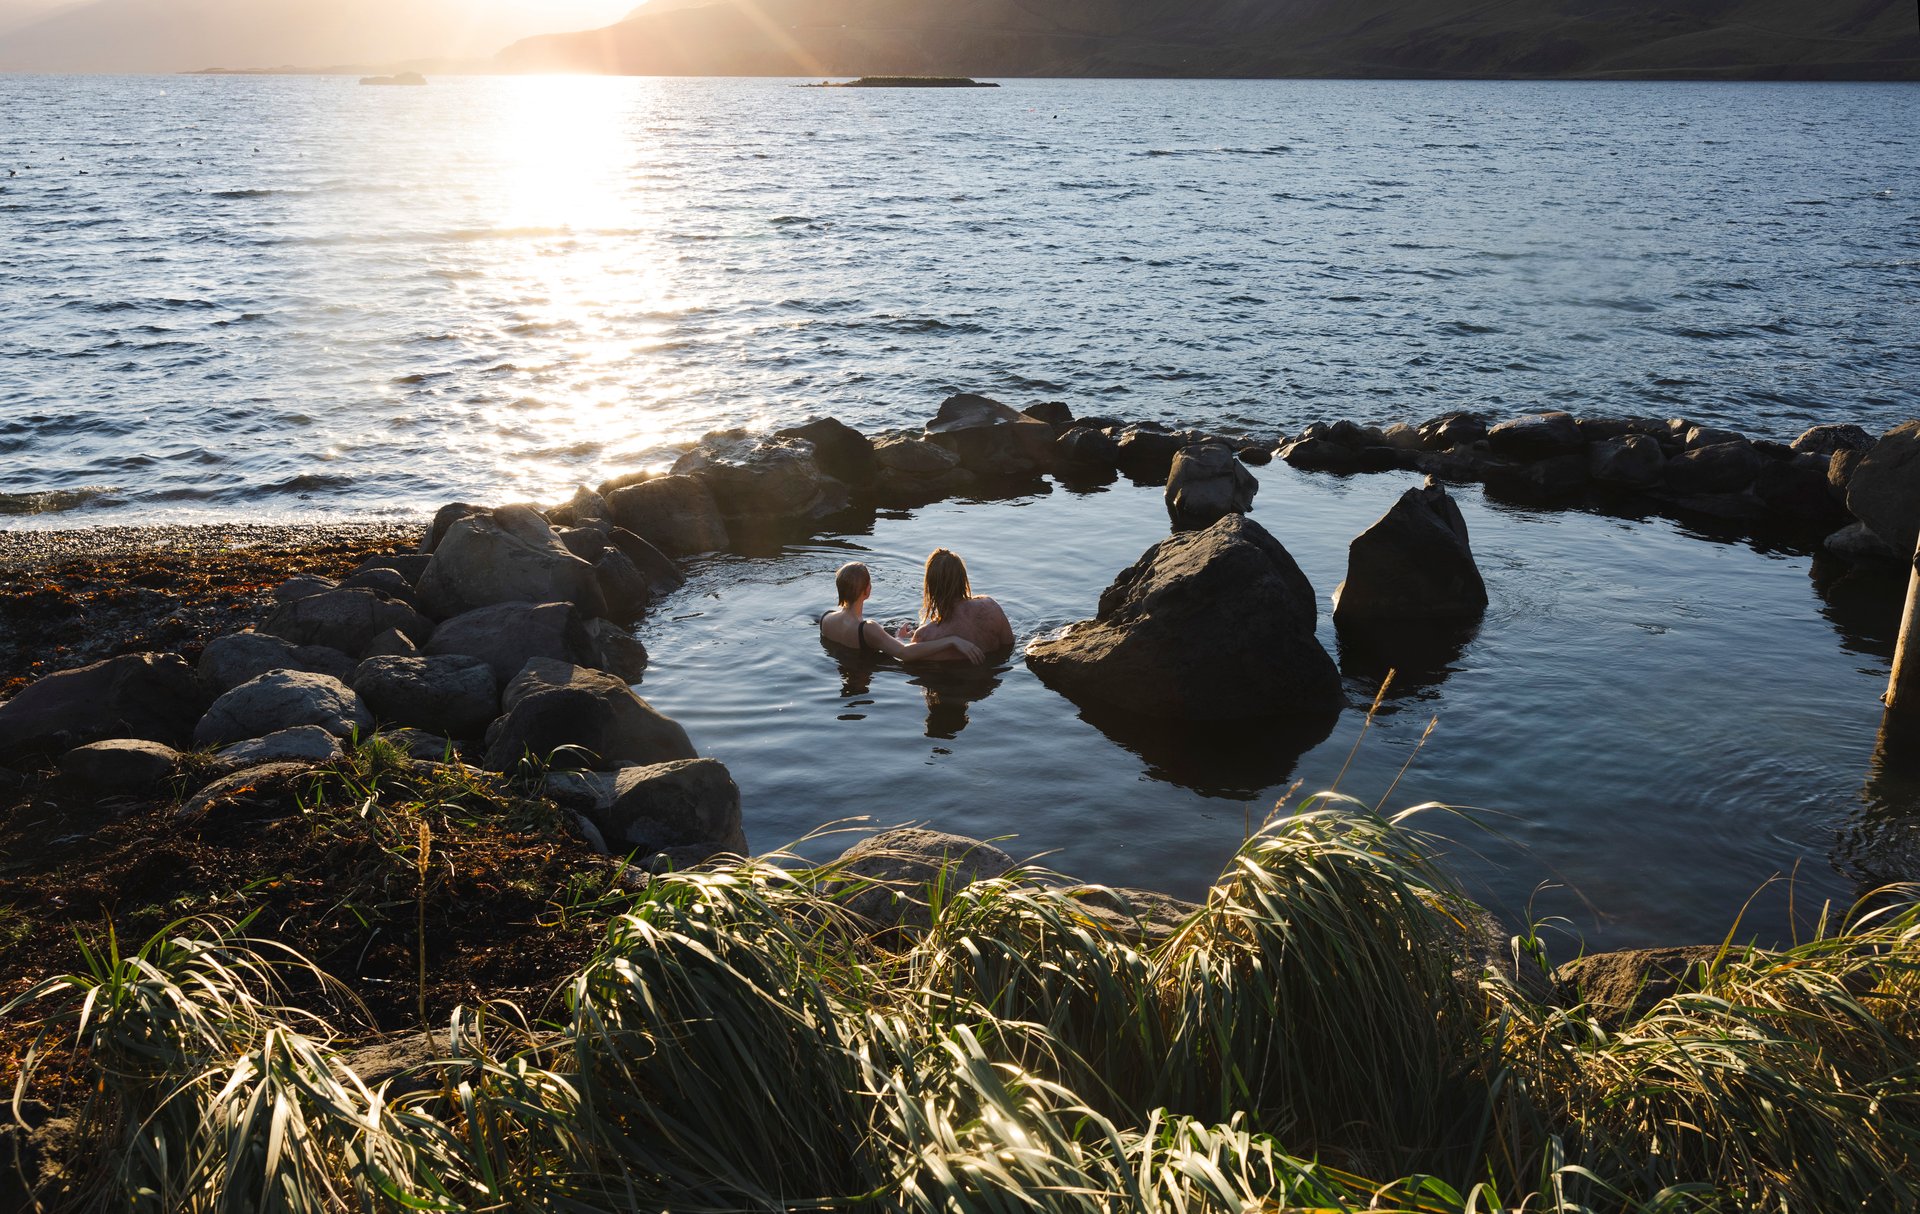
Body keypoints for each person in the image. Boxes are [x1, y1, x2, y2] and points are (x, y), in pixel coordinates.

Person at [820, 561, 985, 663]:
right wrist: (952, 640)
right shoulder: (867, 629)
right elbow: (904, 654)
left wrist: (898, 637)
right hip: (862, 673)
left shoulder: (825, 620)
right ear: (867, 591)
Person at [909, 548, 1014, 660]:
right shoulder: (991, 607)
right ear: (963, 578)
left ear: (931, 586)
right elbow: (1009, 644)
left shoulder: (925, 635)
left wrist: (900, 638)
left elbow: (907, 656)